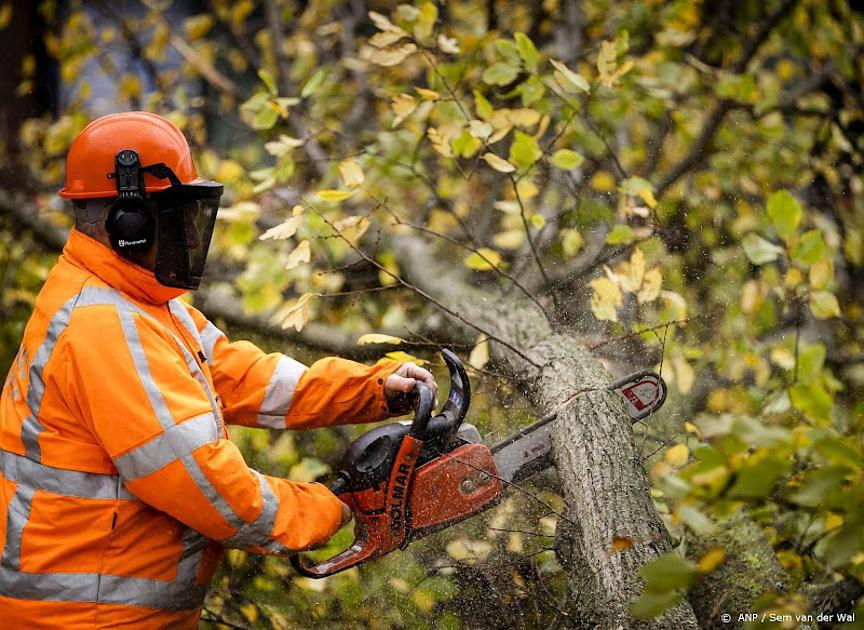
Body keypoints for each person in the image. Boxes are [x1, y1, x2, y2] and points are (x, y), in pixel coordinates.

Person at [0, 112, 437, 628]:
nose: (188, 233)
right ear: (131, 224)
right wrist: (333, 508)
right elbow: (208, 486)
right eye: (176, 215)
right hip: (83, 616)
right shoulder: (104, 327)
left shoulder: (139, 300)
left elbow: (242, 377)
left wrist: (372, 390)